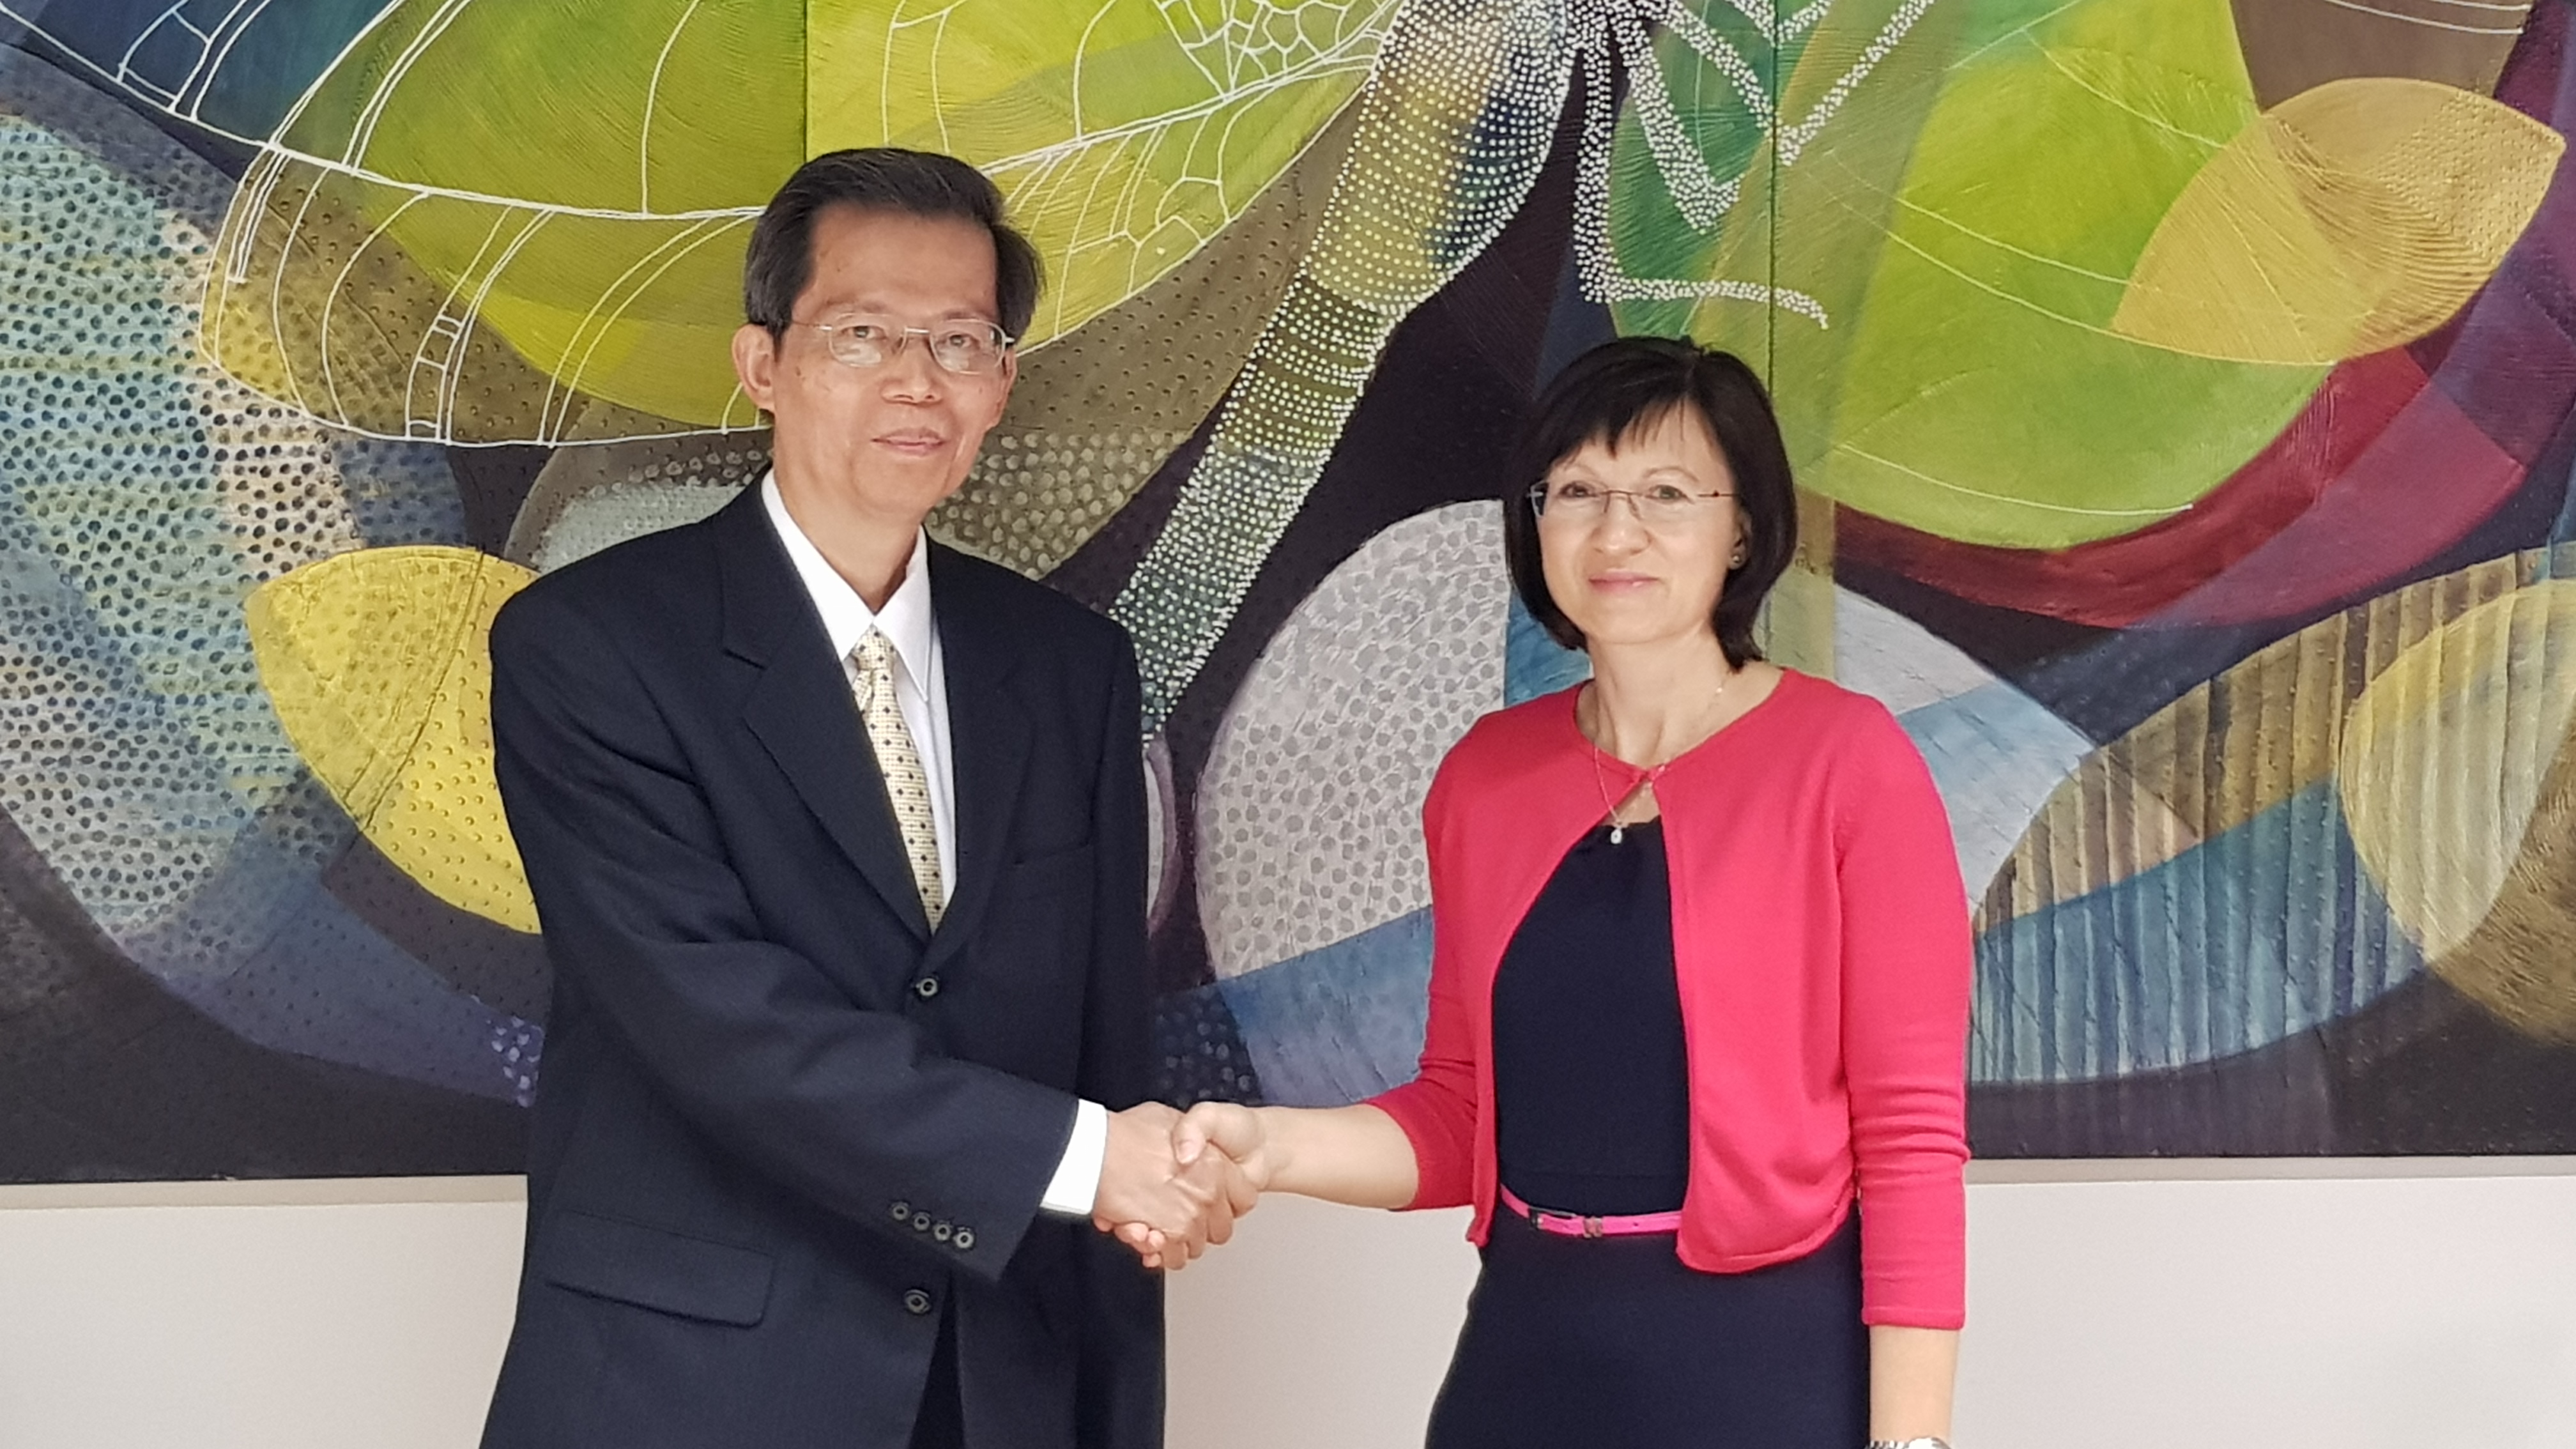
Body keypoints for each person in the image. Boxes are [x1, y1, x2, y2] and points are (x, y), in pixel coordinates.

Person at [479, 148, 1248, 1449]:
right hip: (687, 1393)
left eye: (960, 341)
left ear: (1003, 383)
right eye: (862, 333)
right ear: (763, 364)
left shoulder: (1071, 671)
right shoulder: (592, 647)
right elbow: (719, 1021)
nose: (916, 379)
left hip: (995, 1385)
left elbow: (1102, 1051)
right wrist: (1079, 1159)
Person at [1132, 336, 1973, 1448]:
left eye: (1666, 494)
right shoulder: (1488, 774)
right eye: (1577, 491)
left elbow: (1910, 1140)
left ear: (1744, 530)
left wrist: (1912, 1441)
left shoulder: (1847, 761)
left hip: (1764, 1361)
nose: (1616, 532)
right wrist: (1268, 1147)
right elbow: (1459, 1111)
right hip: (1525, 1348)